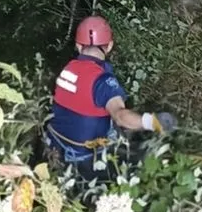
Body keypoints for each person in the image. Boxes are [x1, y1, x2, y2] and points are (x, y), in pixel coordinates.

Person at [43, 15, 177, 182]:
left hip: (52, 146)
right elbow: (120, 116)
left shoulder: (68, 69)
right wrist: (153, 122)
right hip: (83, 161)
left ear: (78, 45)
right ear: (110, 46)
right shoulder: (103, 81)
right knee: (138, 166)